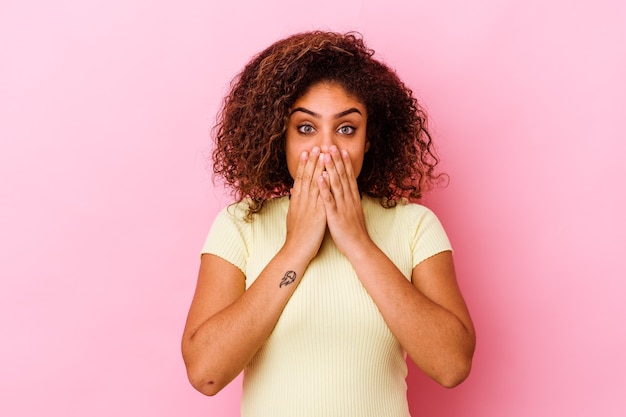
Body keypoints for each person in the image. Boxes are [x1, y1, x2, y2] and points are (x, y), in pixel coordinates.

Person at [181, 31, 475, 417]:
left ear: (369, 139)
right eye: (305, 128)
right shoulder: (240, 225)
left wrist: (358, 242)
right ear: (279, 136)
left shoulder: (414, 225)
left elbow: (452, 366)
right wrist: (296, 248)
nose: (326, 149)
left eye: (346, 128)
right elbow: (206, 374)